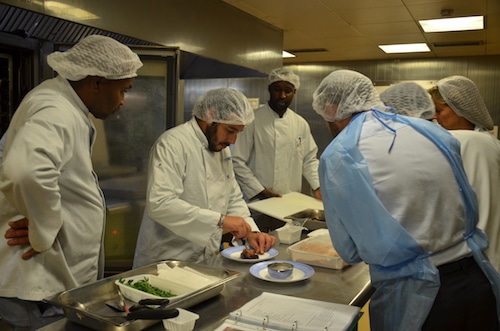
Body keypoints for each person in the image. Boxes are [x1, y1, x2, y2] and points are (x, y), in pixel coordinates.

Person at [312, 69, 500, 331]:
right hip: (478, 279)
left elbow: (350, 251)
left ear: (331, 109)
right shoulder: (432, 132)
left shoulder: (340, 155)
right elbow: (465, 200)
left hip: (421, 298)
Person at [0, 35, 143, 330]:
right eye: (122, 90)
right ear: (97, 82)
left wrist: (42, 218)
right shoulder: (57, 109)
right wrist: (44, 229)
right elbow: (24, 170)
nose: (122, 101)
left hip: (50, 282)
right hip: (40, 282)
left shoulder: (62, 104)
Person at [133, 88, 276, 268]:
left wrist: (251, 232)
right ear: (210, 115)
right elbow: (160, 204)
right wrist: (221, 221)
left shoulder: (221, 149)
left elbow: (232, 197)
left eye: (238, 133)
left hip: (205, 258)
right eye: (230, 130)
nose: (233, 141)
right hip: (166, 258)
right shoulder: (172, 144)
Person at [428, 75, 500, 271]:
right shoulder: (492, 142)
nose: (435, 117)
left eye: (440, 110)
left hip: (468, 258)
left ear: (459, 109)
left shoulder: (457, 142)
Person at [232, 67, 321, 201]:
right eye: (277, 89)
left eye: (288, 91)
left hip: (289, 198)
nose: (282, 95)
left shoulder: (300, 123)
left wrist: (318, 187)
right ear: (269, 89)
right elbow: (236, 160)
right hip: (257, 200)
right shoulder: (252, 121)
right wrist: (259, 190)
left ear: (294, 92)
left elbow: (309, 160)